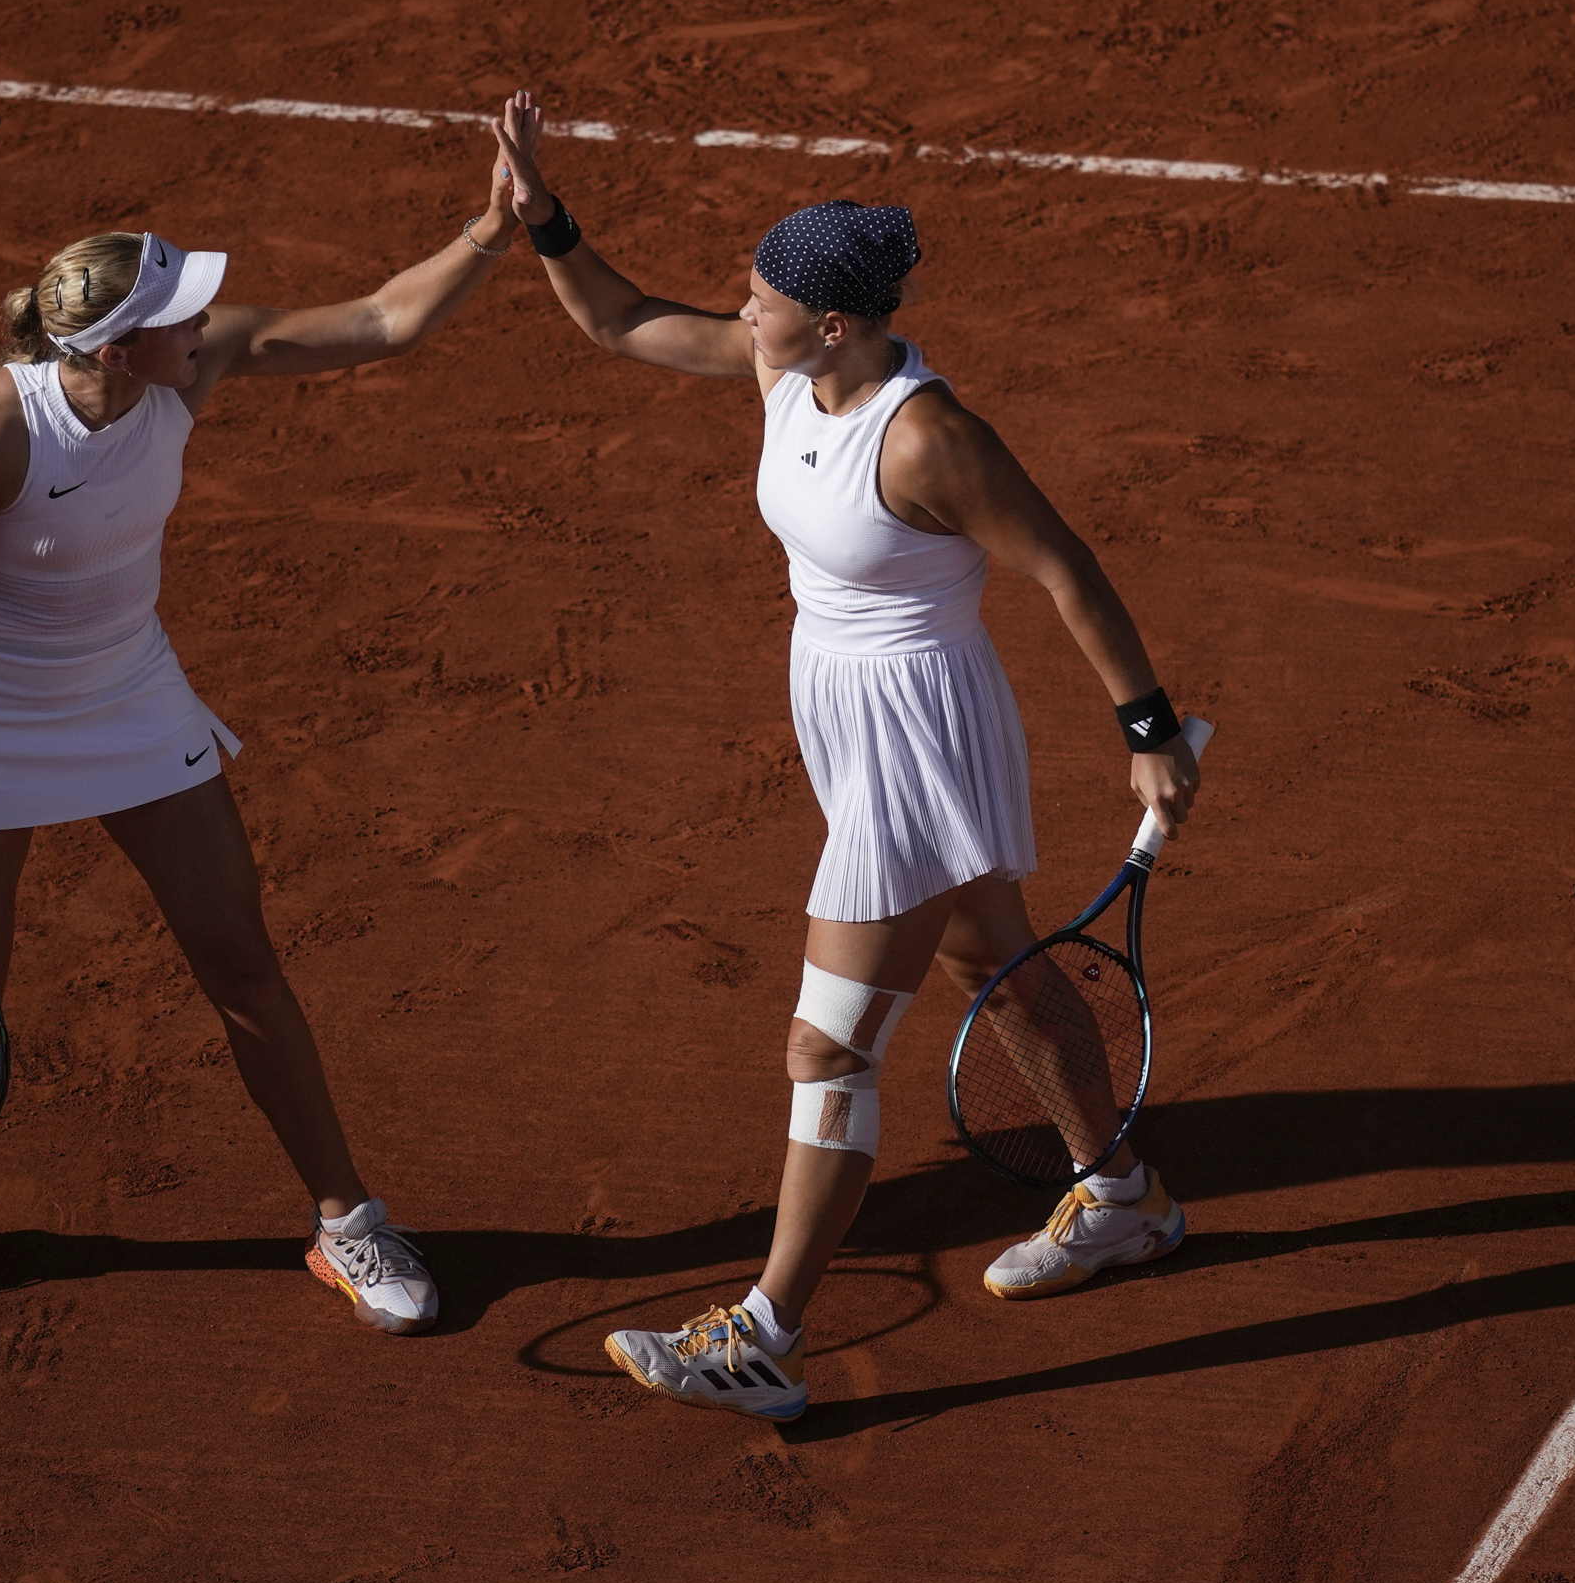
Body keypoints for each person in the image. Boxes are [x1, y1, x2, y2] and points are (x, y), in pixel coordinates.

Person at [481, 92, 1204, 1422]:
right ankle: (1120, 1196)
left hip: (918, 739)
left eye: (759, 297)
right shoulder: (787, 368)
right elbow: (621, 317)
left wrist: (1148, 730)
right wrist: (545, 217)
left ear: (835, 319)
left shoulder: (929, 436)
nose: (738, 310)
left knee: (828, 1050)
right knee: (1003, 967)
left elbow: (1065, 567)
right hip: (847, 715)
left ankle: (766, 1333)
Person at [0, 144, 529, 1335]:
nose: (206, 324)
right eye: (177, 316)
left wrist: (491, 229)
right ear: (113, 349)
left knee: (240, 961)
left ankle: (346, 1222)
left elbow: (384, 319)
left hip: (127, 692)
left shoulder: (186, 366)